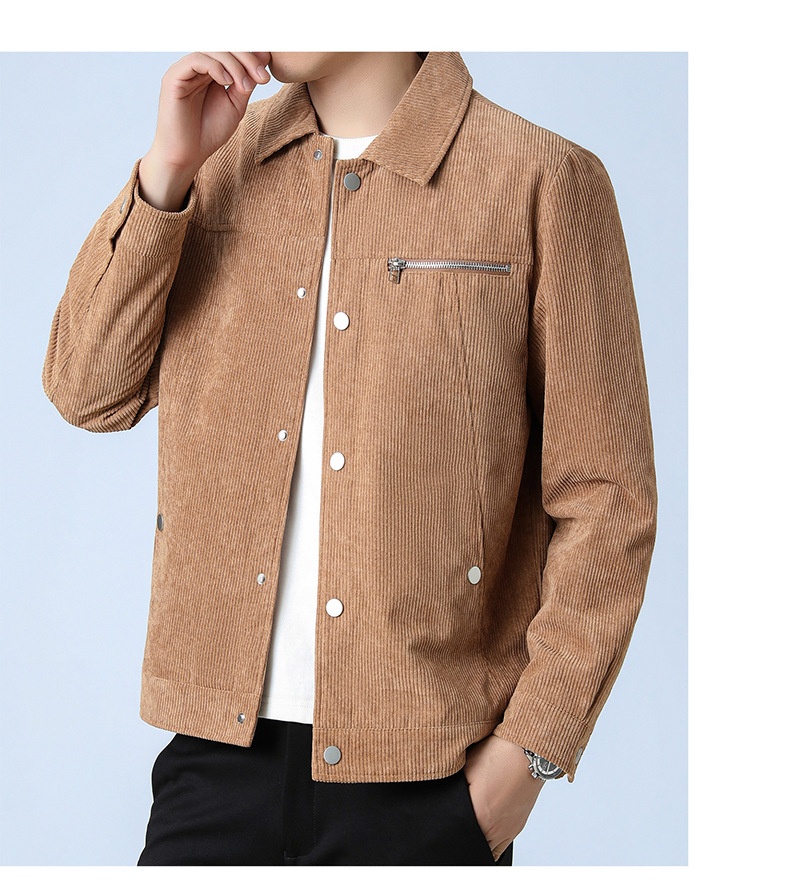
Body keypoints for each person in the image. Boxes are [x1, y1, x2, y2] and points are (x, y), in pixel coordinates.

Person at [42, 51, 657, 866]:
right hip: (214, 762)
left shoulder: (541, 179)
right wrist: (168, 170)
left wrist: (530, 754)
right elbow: (88, 391)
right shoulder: (213, 169)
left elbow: (608, 498)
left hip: (430, 778)